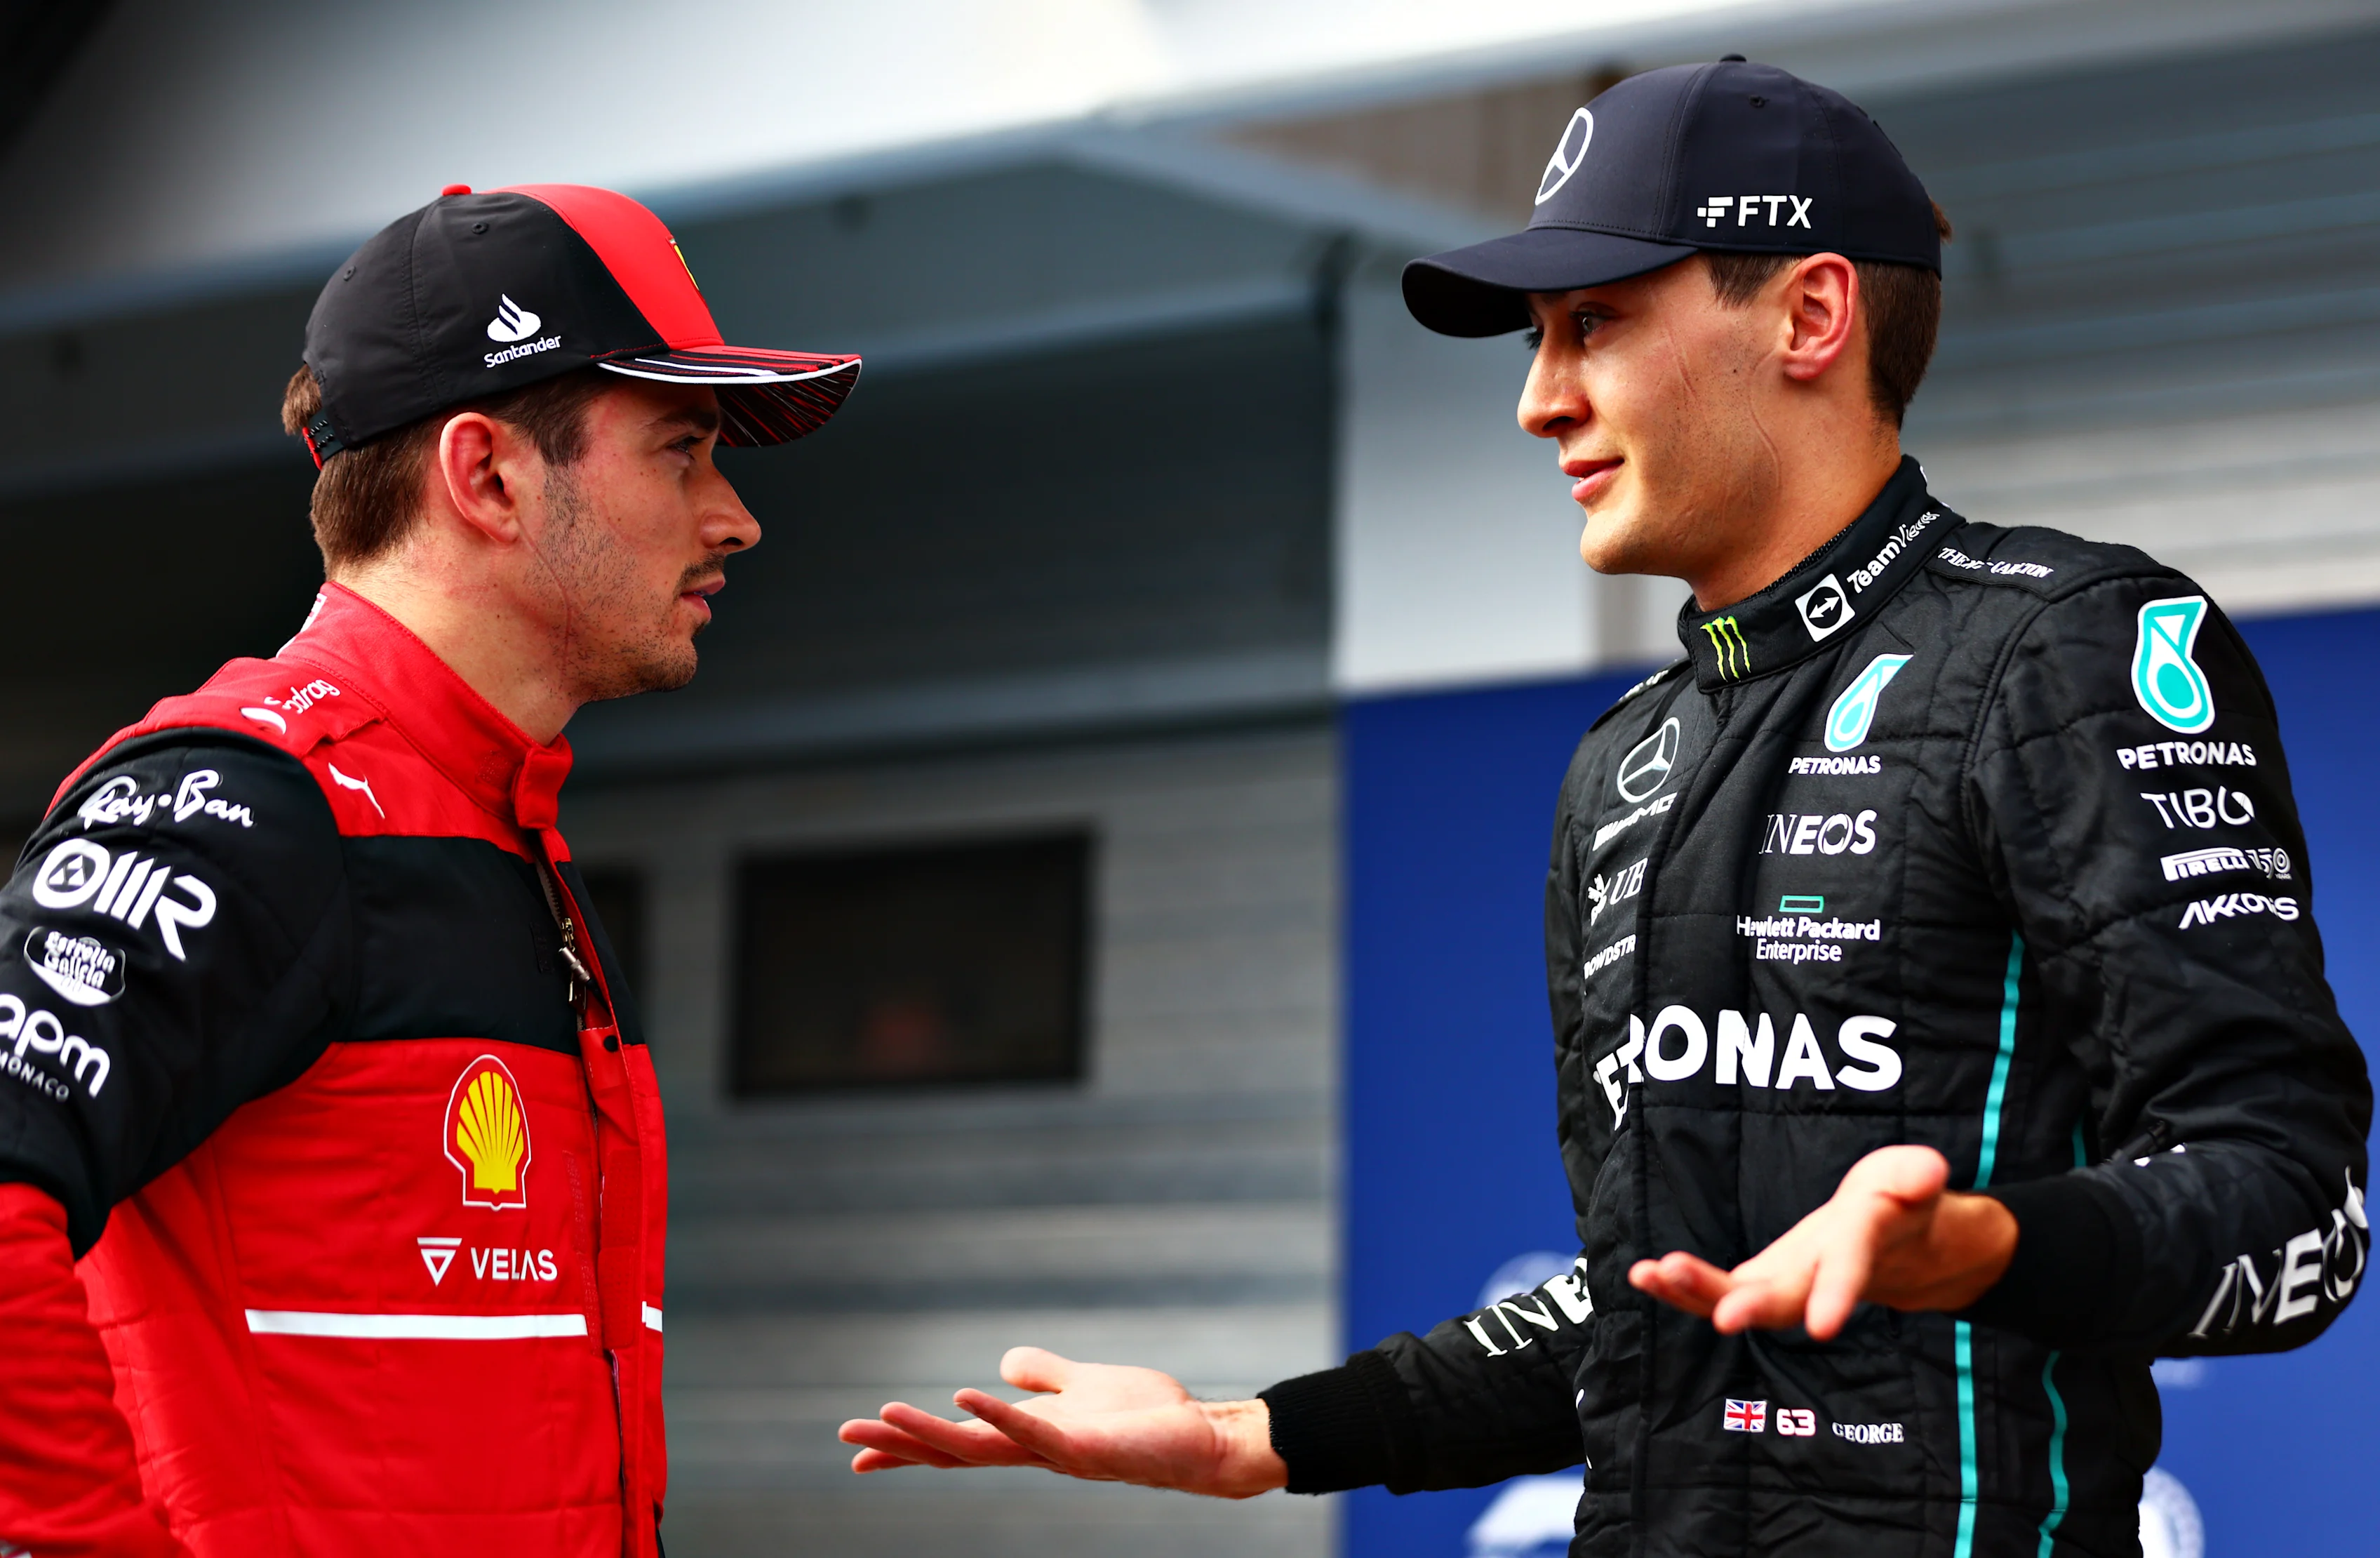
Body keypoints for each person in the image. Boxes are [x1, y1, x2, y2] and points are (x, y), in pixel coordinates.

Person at [838, 58, 2372, 1555]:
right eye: (1534, 341)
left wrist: (1973, 1247)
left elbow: (2293, 1207)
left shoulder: (2061, 645)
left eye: (1594, 327)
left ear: (1812, 314)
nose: (1535, 401)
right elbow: (1640, 1296)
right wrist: (1255, 1440)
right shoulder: (1624, 758)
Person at [0, 182, 858, 1556]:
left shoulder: (498, 832)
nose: (733, 517)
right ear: (488, 475)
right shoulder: (240, 800)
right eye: (683, 451)